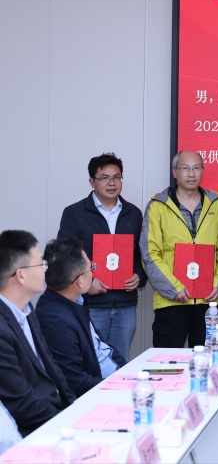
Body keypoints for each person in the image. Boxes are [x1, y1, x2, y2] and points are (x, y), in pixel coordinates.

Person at [57, 152, 146, 362]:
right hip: (91, 304)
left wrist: (139, 275)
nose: (111, 183)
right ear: (92, 181)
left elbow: (140, 254)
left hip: (125, 304)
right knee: (90, 363)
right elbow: (65, 256)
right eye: (104, 178)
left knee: (120, 363)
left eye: (116, 177)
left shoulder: (133, 213)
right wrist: (86, 283)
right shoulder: (74, 213)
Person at [140, 151, 218, 348]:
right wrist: (173, 288)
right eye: (185, 168)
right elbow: (149, 253)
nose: (191, 173)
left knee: (208, 361)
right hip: (171, 301)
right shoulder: (158, 206)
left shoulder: (215, 204)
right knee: (168, 362)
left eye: (196, 168)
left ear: (203, 171)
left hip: (208, 303)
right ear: (175, 172)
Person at [0, 230, 75, 436]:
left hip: (57, 416)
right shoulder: (2, 329)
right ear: (21, 275)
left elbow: (52, 367)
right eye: (40, 263)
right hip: (30, 431)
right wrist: (67, 425)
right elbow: (21, 403)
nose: (45, 269)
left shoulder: (27, 308)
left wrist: (74, 408)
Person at [37, 238, 125, 397]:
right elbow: (76, 383)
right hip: (101, 394)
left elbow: (103, 347)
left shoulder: (74, 300)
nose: (93, 272)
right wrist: (122, 386)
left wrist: (128, 374)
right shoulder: (55, 322)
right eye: (91, 268)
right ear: (79, 281)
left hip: (116, 381)